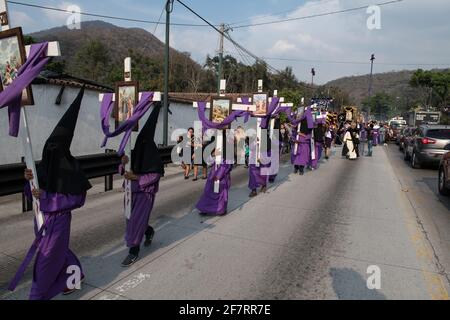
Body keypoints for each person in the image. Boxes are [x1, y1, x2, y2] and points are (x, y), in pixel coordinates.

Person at [9, 87, 91, 300]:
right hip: (41, 220)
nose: (51, 153)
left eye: (55, 149)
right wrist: (30, 181)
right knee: (60, 252)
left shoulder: (70, 167)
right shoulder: (44, 167)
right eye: (49, 148)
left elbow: (77, 199)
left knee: (46, 261)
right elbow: (32, 195)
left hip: (58, 221)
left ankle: (37, 295)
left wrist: (46, 197)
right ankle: (76, 276)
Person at [120, 102, 164, 267]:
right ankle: (149, 230)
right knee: (131, 219)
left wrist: (137, 178)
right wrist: (123, 163)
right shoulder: (134, 152)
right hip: (129, 193)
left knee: (135, 221)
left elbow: (155, 174)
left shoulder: (152, 155)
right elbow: (123, 172)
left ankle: (133, 251)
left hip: (145, 194)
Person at [196, 138, 232, 216]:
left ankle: (221, 210)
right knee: (208, 192)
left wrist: (219, 175)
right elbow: (209, 162)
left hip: (222, 178)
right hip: (212, 176)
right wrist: (213, 155)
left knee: (221, 194)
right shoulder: (215, 151)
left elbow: (228, 166)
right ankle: (205, 209)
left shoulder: (228, 154)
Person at [292, 107, 314, 175]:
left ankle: (301, 169)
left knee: (303, 156)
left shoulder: (309, 123)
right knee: (296, 154)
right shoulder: (298, 122)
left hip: (304, 141)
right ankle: (296, 168)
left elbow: (309, 134)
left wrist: (301, 134)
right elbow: (294, 131)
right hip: (298, 141)